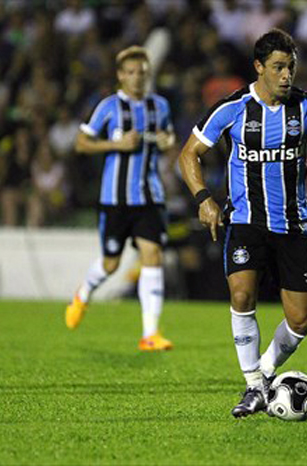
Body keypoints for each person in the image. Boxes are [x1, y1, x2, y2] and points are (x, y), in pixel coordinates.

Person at [178, 29, 307, 418]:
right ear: (259, 67)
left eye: (291, 67)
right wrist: (204, 200)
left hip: (293, 224)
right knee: (241, 296)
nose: (287, 76)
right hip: (245, 221)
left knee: (301, 320)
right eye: (278, 67)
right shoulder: (233, 108)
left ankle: (265, 373)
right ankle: (254, 387)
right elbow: (189, 154)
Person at [65, 46, 176, 351]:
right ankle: (84, 293)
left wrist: (168, 141)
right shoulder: (109, 107)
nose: (137, 78)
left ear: (148, 74)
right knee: (111, 264)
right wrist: (115, 146)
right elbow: (81, 143)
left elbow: (167, 138)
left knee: (152, 255)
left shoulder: (160, 106)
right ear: (120, 76)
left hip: (150, 196)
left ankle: (150, 334)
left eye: (141, 72)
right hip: (115, 198)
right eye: (130, 72)